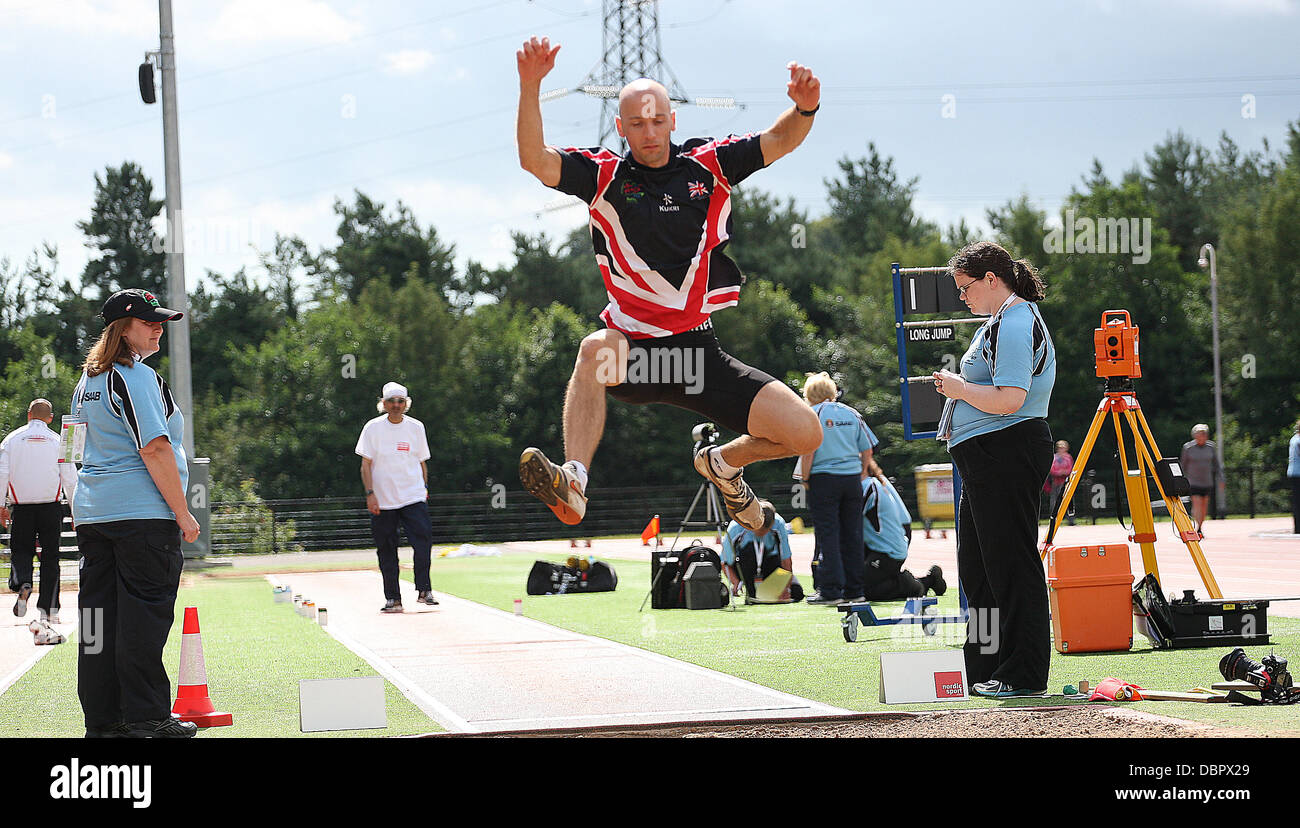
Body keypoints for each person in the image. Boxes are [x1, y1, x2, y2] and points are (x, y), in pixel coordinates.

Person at [513, 36, 823, 534]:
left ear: (673, 119)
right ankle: (574, 480)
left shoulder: (709, 164)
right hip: (636, 354)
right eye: (637, 123)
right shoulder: (603, 175)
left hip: (697, 357)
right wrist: (530, 87)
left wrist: (805, 109)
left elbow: (777, 140)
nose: (650, 132)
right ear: (621, 127)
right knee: (594, 350)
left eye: (658, 121)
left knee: (807, 432)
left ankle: (722, 464)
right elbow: (536, 160)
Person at [69, 288, 201, 738]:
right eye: (149, 321)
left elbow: (74, 453)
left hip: (95, 516)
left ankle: (104, 722)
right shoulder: (137, 377)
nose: (159, 326)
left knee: (97, 624)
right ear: (122, 329)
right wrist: (182, 512)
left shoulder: (85, 383)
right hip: (143, 516)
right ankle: (147, 720)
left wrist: (78, 506)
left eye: (160, 320)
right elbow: (156, 447)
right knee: (142, 619)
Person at [932, 241, 1056, 699]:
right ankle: (984, 666)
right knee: (979, 569)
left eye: (966, 287)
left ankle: (1023, 673)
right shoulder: (1000, 322)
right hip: (987, 456)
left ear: (990, 279)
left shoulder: (1017, 320)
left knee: (1011, 563)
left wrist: (960, 388)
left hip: (1006, 449)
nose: (962, 297)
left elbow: (1010, 399)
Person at [356, 381, 437, 614]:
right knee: (386, 548)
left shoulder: (416, 427)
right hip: (382, 499)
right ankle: (393, 598)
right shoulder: (372, 428)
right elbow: (365, 465)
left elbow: (421, 461)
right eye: (391, 401)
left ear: (406, 404)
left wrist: (423, 487)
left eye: (400, 401)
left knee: (422, 541)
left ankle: (424, 590)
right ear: (383, 403)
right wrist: (370, 494)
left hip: (413, 495)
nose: (396, 405)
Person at [797, 372, 875, 606]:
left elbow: (808, 450)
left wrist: (805, 478)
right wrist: (860, 473)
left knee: (828, 534)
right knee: (853, 534)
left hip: (824, 479)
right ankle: (855, 590)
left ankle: (831, 590)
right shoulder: (851, 413)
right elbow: (868, 449)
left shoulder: (812, 414)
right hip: (851, 480)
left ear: (810, 394)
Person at [1, 399, 78, 626]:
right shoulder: (58, 441)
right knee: (51, 557)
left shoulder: (11, 441)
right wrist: (75, 510)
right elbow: (70, 479)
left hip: (22, 508)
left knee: (21, 551)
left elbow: (2, 474)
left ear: (28, 415)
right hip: (51, 507)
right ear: (50, 418)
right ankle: (49, 609)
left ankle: (23, 582)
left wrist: (1, 506)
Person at [860, 460, 946, 602]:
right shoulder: (878, 480)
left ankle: (912, 586)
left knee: (863, 587)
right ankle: (927, 581)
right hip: (898, 533)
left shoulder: (869, 485)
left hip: (892, 540)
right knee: (871, 580)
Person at [720, 503, 805, 604]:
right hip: (744, 566)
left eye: (765, 530)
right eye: (759, 530)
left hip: (769, 562)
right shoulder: (736, 527)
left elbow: (786, 560)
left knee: (797, 593)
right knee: (749, 550)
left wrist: (785, 587)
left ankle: (766, 588)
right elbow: (724, 562)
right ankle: (751, 590)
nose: (761, 534)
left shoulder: (779, 524)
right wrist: (735, 582)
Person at [1180, 424, 1224, 534]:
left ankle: (1200, 526)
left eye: (1204, 434)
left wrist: (1221, 479)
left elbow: (1217, 465)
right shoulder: (1188, 448)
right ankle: (1197, 528)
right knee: (1197, 503)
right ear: (1194, 435)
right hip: (1193, 482)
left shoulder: (1211, 447)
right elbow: (1183, 465)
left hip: (1207, 481)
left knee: (1204, 506)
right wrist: (1182, 480)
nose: (1202, 436)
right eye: (1200, 434)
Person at [1046, 440, 1074, 526]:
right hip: (1056, 482)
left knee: (1068, 501)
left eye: (1063, 447)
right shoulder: (1054, 457)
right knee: (1054, 502)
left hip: (1065, 483)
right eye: (1060, 447)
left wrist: (1062, 472)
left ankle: (1071, 520)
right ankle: (1054, 520)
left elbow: (1070, 469)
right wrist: (1059, 472)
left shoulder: (1068, 458)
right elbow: (1052, 469)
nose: (1061, 449)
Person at [1288, 419, 1299, 536]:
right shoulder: (1298, 441)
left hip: (1293, 472)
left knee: (1296, 502)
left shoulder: (1294, 439)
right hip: (1298, 473)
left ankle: (1297, 527)